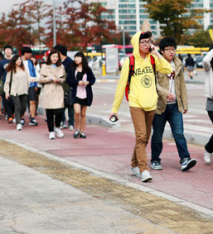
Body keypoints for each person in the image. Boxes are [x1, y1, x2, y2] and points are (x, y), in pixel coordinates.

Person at [109, 31, 172, 183]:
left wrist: (157, 54)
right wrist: (114, 109)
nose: (146, 45)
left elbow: (168, 69)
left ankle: (133, 164)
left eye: (148, 42)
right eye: (143, 42)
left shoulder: (152, 59)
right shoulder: (129, 62)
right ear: (137, 43)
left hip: (151, 104)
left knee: (143, 138)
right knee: (141, 136)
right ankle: (143, 169)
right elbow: (121, 85)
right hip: (136, 103)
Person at [150, 37, 197, 172]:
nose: (171, 52)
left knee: (179, 133)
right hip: (160, 106)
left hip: (175, 106)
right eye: (168, 49)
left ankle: (185, 159)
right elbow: (154, 83)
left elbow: (182, 85)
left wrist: (184, 103)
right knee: (157, 135)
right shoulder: (156, 63)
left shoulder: (178, 64)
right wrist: (165, 93)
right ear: (162, 51)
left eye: (173, 49)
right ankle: (155, 159)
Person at [67, 51, 96, 139]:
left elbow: (93, 79)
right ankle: (77, 129)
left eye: (78, 57)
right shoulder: (72, 68)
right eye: (75, 57)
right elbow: (69, 80)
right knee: (77, 112)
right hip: (76, 93)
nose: (76, 59)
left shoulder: (87, 69)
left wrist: (88, 82)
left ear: (82, 58)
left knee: (83, 114)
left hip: (85, 93)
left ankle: (82, 131)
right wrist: (77, 82)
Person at [39, 50, 67, 140]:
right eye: (53, 56)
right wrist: (50, 78)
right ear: (49, 57)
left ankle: (57, 127)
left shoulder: (61, 66)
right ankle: (51, 131)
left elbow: (64, 79)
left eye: (56, 57)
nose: (55, 58)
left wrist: (60, 80)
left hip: (58, 90)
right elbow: (40, 79)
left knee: (59, 111)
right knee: (50, 113)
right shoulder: (44, 66)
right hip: (49, 91)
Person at [3, 54, 33, 130]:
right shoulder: (11, 70)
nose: (19, 61)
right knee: (18, 106)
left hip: (24, 90)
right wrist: (6, 92)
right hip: (15, 91)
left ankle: (17, 117)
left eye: (20, 59)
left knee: (23, 107)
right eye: (17, 60)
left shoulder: (24, 69)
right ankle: (18, 123)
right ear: (14, 61)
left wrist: (40, 79)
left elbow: (29, 78)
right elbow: (7, 82)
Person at [54, 44, 75, 130]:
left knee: (70, 105)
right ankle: (62, 121)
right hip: (58, 87)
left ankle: (71, 123)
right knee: (60, 106)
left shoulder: (69, 62)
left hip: (68, 87)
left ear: (59, 53)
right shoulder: (56, 62)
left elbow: (72, 76)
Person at [0, 44, 15, 122]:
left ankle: (13, 113)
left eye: (9, 50)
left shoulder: (15, 60)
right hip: (5, 83)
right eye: (6, 50)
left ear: (11, 51)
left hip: (14, 83)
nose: (8, 51)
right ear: (4, 52)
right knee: (6, 100)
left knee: (13, 99)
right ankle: (9, 115)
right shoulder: (2, 62)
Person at [21, 46, 39, 126]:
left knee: (32, 101)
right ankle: (21, 117)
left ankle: (32, 118)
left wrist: (35, 84)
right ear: (25, 53)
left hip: (31, 84)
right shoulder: (19, 61)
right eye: (29, 54)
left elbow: (33, 72)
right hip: (22, 85)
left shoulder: (30, 62)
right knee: (23, 102)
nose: (30, 55)